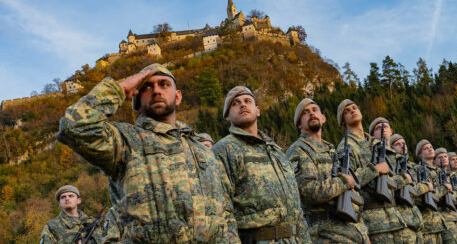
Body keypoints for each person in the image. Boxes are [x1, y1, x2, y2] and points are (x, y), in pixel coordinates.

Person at [56, 63, 239, 243]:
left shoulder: (204, 152)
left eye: (164, 84)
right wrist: (119, 89)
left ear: (177, 97)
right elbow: (74, 126)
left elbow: (226, 216)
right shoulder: (124, 140)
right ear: (135, 99)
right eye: (147, 87)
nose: (157, 91)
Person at [212, 86, 310, 244]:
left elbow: (297, 208)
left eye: (247, 101)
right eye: (235, 103)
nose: (242, 105)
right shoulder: (223, 151)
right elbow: (222, 213)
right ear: (227, 116)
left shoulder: (276, 151)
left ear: (257, 110)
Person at [286, 98, 369, 243]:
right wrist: (343, 181)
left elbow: (350, 193)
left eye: (314, 110)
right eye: (305, 113)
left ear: (323, 118)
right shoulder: (298, 150)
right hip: (326, 234)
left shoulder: (331, 150)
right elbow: (307, 191)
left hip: (353, 230)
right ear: (299, 124)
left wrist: (363, 231)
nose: (311, 114)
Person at [335, 100, 411, 243]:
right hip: (373, 223)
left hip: (394, 219)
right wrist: (374, 170)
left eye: (354, 107)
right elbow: (347, 181)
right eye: (347, 111)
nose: (352, 111)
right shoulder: (346, 147)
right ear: (343, 121)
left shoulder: (374, 143)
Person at [391, 133, 433, 244]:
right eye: (397, 144)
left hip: (417, 222)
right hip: (403, 222)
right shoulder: (392, 165)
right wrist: (425, 187)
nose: (402, 146)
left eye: (403, 143)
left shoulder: (415, 168)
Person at [415, 140, 450, 244]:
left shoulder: (439, 171)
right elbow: (427, 195)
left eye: (431, 147)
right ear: (420, 154)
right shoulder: (419, 170)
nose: (430, 149)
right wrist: (445, 188)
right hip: (427, 224)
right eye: (426, 148)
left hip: (439, 222)